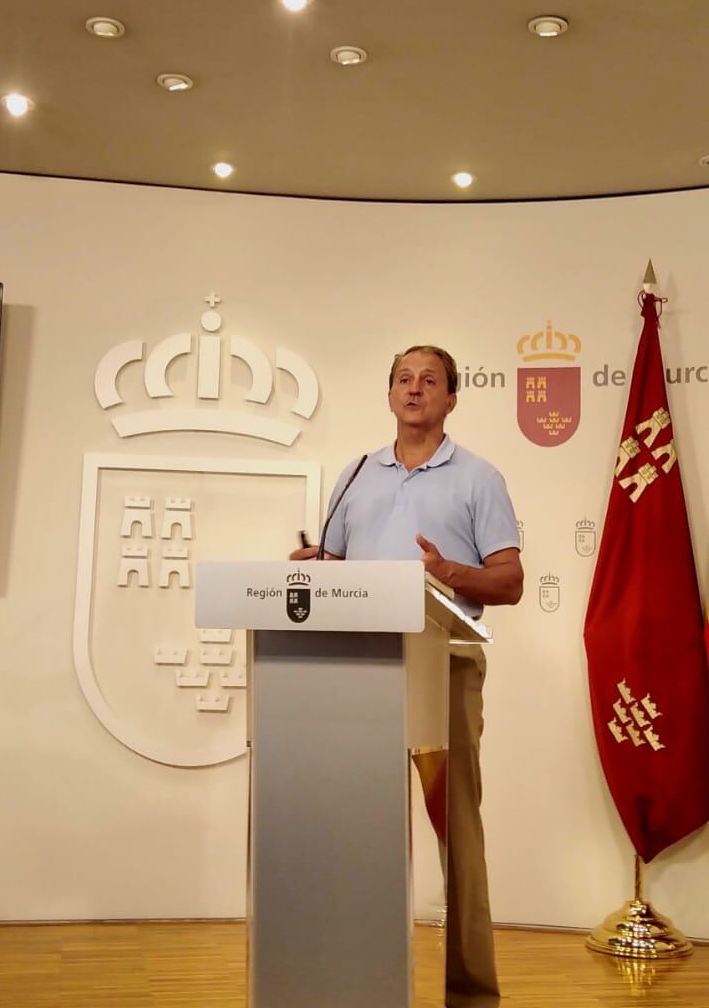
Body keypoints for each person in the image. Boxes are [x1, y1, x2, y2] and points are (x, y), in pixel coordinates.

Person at [291, 343, 522, 1008]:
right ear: (389, 393)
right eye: (402, 378)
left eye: (429, 380)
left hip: (441, 663)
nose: (413, 388)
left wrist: (449, 572)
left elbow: (508, 579)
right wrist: (315, 563)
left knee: (456, 831)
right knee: (360, 829)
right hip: (361, 667)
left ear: (451, 398)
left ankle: (471, 992)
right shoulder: (358, 473)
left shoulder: (478, 477)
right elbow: (334, 564)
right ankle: (362, 983)